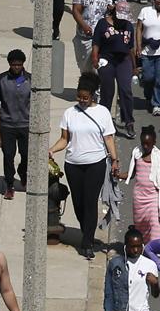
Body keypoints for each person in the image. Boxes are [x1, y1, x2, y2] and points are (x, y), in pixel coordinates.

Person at [46, 77, 120, 257]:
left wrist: (115, 160)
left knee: (90, 201)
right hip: (73, 164)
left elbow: (108, 139)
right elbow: (65, 139)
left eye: (85, 97)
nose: (81, 100)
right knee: (78, 203)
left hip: (96, 163)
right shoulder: (69, 113)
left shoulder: (102, 112)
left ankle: (87, 242)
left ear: (92, 96)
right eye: (79, 97)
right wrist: (51, 150)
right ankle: (86, 230)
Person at [0, 51, 32, 200]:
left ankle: (23, 172)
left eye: (19, 65)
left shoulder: (30, 79)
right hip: (7, 125)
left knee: (26, 154)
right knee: (8, 155)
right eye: (14, 64)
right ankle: (9, 184)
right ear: (9, 64)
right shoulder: (2, 79)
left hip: (25, 124)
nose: (16, 67)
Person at [124, 125, 160, 244]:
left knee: (155, 224)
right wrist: (118, 175)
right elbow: (131, 173)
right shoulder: (136, 154)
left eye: (148, 144)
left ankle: (156, 250)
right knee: (140, 224)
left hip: (153, 197)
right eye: (143, 143)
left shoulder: (159, 156)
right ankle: (141, 247)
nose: (145, 146)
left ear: (154, 142)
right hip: (139, 197)